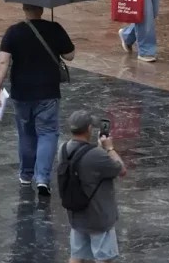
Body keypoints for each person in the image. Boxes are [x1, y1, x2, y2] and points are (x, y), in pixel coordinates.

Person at [0, 4, 75, 196]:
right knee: (47, 133)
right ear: (42, 9)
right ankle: (43, 179)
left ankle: (25, 175)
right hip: (48, 91)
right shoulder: (54, 28)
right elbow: (70, 55)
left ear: (24, 8)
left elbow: (3, 61)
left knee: (26, 133)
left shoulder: (13, 32)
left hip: (21, 92)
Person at [61, 111, 126, 263]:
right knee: (104, 259)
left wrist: (99, 148)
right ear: (89, 128)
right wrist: (109, 148)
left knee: (77, 256)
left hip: (76, 214)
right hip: (98, 216)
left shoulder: (63, 149)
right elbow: (121, 169)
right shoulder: (96, 155)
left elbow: (87, 163)